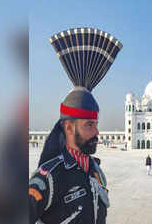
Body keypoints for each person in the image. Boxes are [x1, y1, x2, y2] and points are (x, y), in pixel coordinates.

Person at [29, 28, 123, 224]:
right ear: (69, 127)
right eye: (89, 125)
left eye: (96, 124)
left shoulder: (96, 170)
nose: (97, 132)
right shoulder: (48, 178)